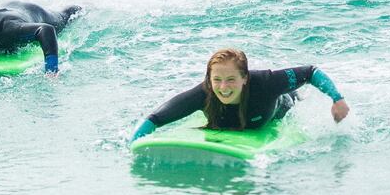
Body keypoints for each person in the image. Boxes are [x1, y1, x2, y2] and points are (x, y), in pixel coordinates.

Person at [131, 48, 350, 142]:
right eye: (216, 80)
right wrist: (134, 143)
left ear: (245, 78)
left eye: (231, 80)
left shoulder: (265, 82)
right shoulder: (205, 92)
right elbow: (157, 118)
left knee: (291, 99)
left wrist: (337, 99)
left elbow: (310, 72)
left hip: (283, 106)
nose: (223, 87)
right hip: (242, 121)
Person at [0, 1, 81, 73]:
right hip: (2, 7)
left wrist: (52, 71)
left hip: (33, 13)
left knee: (65, 17)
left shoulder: (8, 30)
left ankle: (84, 6)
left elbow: (46, 29)